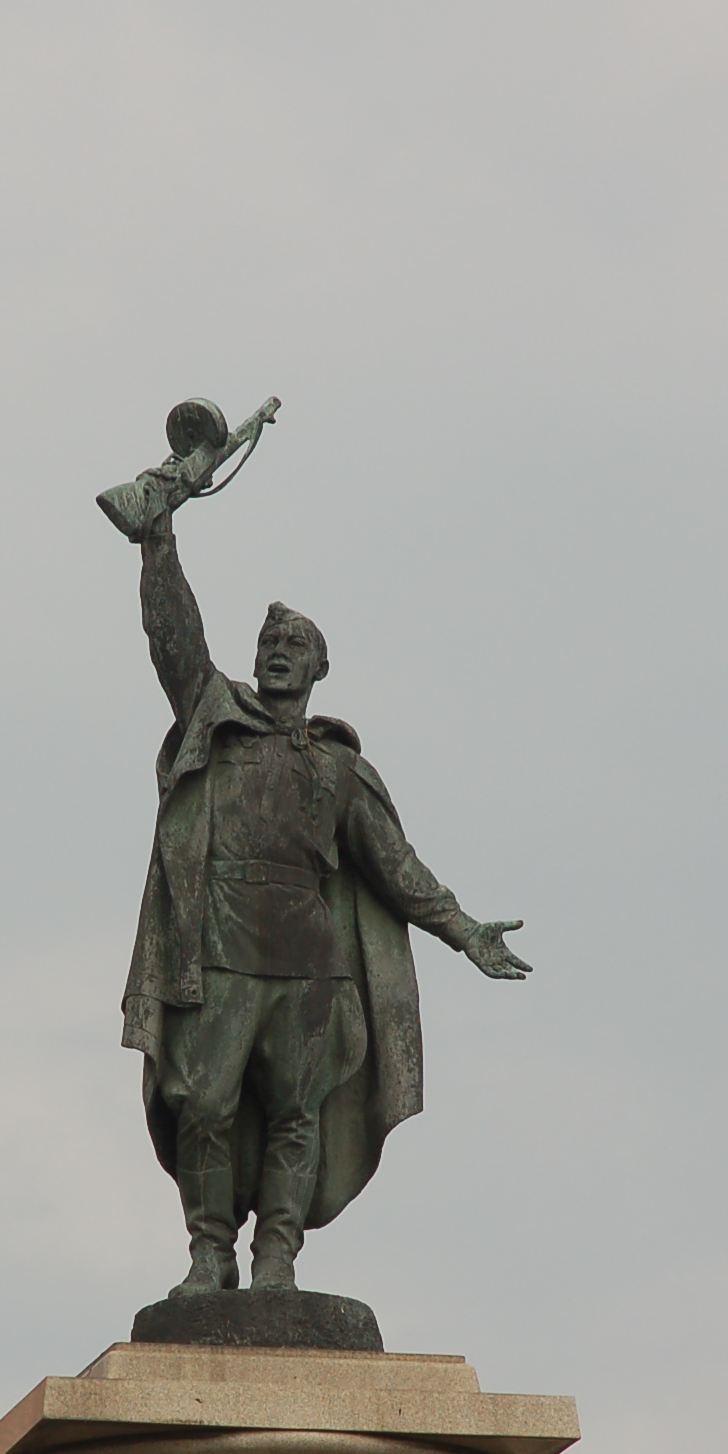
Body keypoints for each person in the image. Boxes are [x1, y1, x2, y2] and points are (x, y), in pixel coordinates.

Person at [120, 516, 527, 1297]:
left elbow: (395, 868)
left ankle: (277, 1257)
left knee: (295, 1114)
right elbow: (173, 638)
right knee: (203, 1102)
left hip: (309, 965)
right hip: (218, 953)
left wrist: (464, 931)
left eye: (296, 644)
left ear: (320, 667)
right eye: (270, 642)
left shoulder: (339, 767)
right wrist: (158, 544)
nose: (279, 651)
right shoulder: (215, 719)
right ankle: (210, 1252)